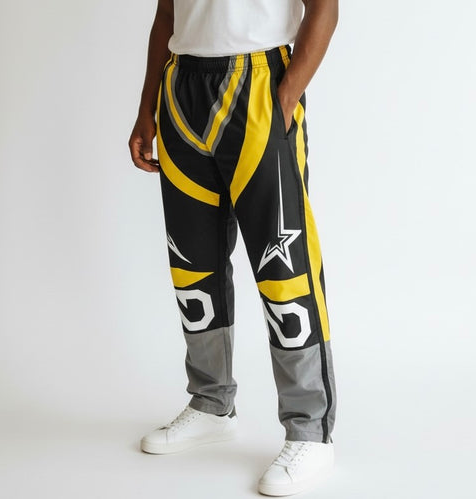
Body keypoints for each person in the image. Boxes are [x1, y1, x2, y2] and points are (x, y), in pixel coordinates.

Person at [128, 0, 339, 495]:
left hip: (259, 82)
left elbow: (324, 8)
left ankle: (309, 430)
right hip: (181, 89)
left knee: (283, 265)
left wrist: (285, 95)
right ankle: (211, 403)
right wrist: (146, 107)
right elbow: (166, 14)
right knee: (192, 262)